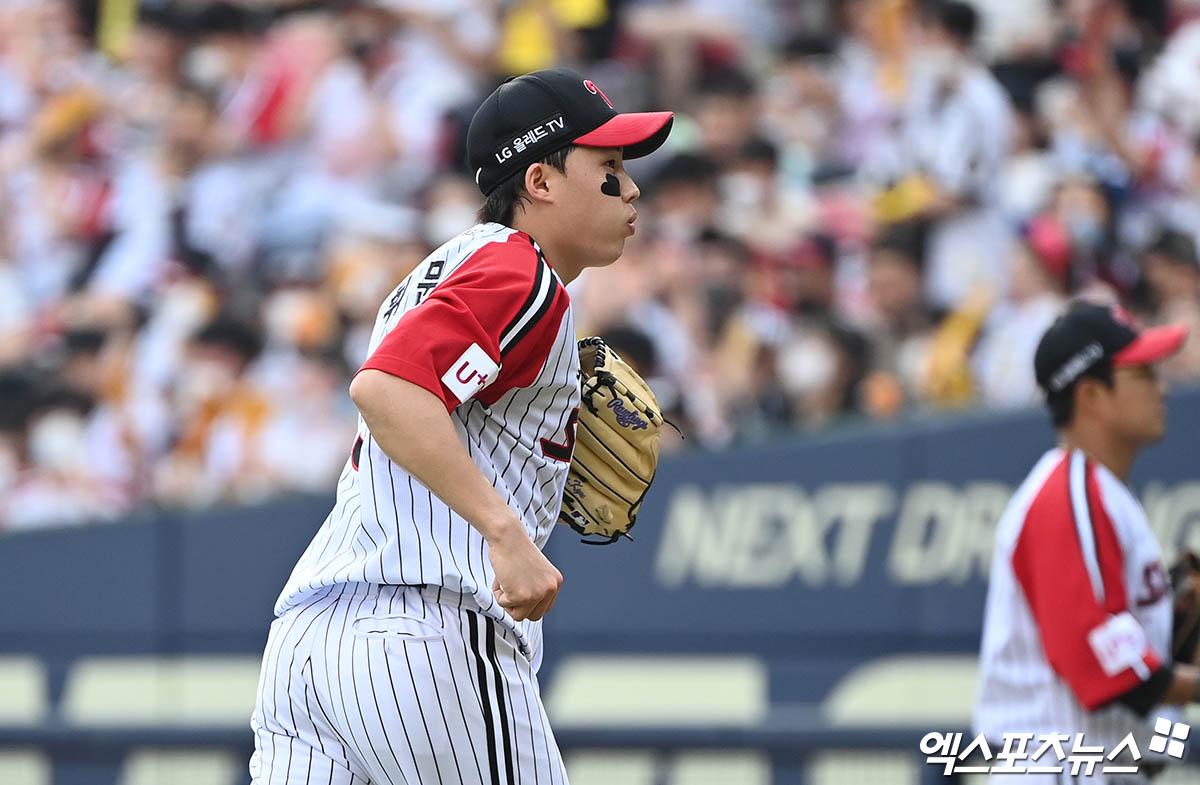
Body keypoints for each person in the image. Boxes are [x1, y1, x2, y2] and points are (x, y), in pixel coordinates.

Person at [248, 67, 672, 784]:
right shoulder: (519, 270)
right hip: (424, 630)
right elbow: (386, 389)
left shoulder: (445, 266)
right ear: (540, 180)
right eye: (608, 168)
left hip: (308, 646)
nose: (630, 189)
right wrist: (505, 531)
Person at [975, 301, 1195, 783]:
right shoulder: (1067, 495)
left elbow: (1145, 728)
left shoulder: (1102, 493)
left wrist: (1177, 651)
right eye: (1143, 374)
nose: (1161, 388)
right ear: (1092, 395)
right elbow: (1108, 670)